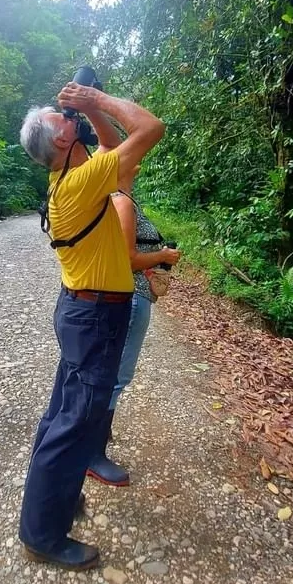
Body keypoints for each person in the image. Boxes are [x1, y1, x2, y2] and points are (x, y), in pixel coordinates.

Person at [17, 75, 165, 570]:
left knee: (65, 413)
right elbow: (149, 128)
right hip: (96, 313)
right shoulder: (80, 183)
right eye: (63, 116)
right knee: (74, 420)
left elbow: (111, 145)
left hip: (85, 309)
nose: (70, 115)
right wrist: (96, 99)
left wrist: (87, 108)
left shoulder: (71, 176)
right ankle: (42, 534)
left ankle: (56, 499)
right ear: (61, 139)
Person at [85, 166, 181, 487]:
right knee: (116, 374)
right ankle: (92, 452)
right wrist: (163, 255)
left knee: (112, 370)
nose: (138, 161)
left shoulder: (117, 200)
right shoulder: (122, 202)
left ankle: (97, 433)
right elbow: (127, 258)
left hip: (128, 295)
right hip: (132, 295)